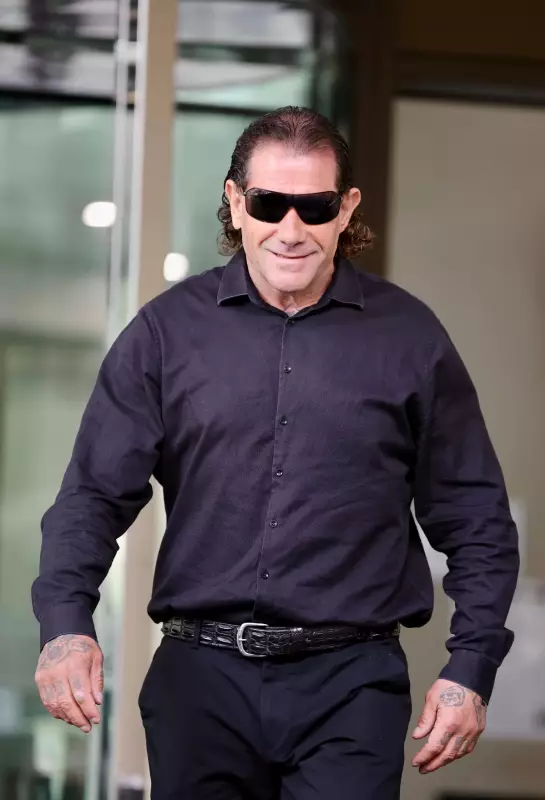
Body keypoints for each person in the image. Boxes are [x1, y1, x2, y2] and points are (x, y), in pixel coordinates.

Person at [32, 106, 519, 800]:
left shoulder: (411, 339)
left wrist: (471, 666)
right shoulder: (166, 334)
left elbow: (475, 518)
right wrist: (65, 627)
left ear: (345, 208)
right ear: (235, 202)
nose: (291, 229)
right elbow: (92, 497)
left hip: (351, 685)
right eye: (269, 204)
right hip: (199, 683)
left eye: (314, 206)